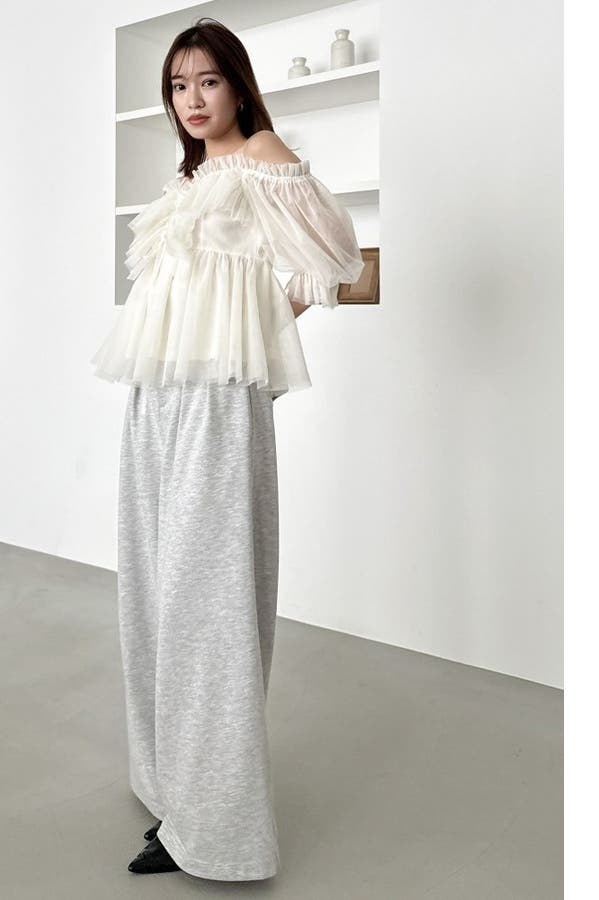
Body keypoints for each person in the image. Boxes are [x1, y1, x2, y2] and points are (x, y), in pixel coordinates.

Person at [89, 16, 365, 882]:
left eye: (208, 81)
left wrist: (254, 331)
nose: (193, 99)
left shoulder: (263, 158)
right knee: (153, 589)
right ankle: (170, 784)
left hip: (214, 399)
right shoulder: (193, 175)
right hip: (155, 394)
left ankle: (217, 827)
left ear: (239, 86)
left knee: (206, 605)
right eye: (178, 86)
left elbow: (337, 258)